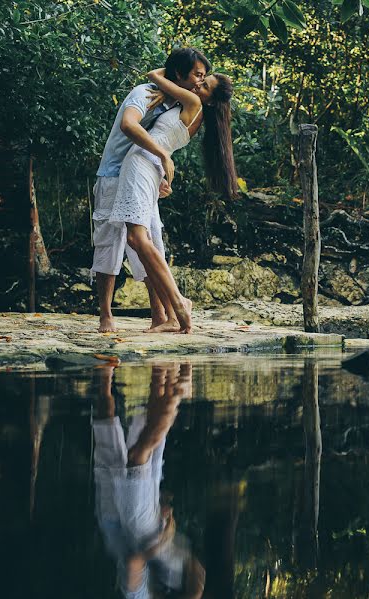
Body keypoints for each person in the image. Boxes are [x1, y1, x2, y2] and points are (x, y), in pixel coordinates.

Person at [109, 65, 240, 334]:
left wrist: (184, 71)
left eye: (204, 85)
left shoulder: (191, 101)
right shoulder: (198, 117)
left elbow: (156, 75)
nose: (197, 85)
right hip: (152, 166)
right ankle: (170, 312)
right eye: (199, 79)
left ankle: (179, 302)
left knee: (137, 238)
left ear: (210, 99)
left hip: (141, 161)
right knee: (144, 239)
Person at [91, 48, 211, 333]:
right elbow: (128, 125)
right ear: (179, 74)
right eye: (197, 75)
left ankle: (160, 315)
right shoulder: (145, 92)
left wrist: (160, 175)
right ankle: (105, 314)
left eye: (203, 78)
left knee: (151, 241)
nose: (198, 82)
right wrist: (162, 156)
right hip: (113, 174)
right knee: (109, 244)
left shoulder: (175, 103)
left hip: (142, 176)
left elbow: (167, 137)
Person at [91, 362, 204, 598]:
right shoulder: (171, 584)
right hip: (139, 528)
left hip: (121, 524)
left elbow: (134, 562)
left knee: (118, 440)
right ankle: (169, 383)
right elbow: (197, 573)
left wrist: (161, 542)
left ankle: (111, 375)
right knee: (140, 455)